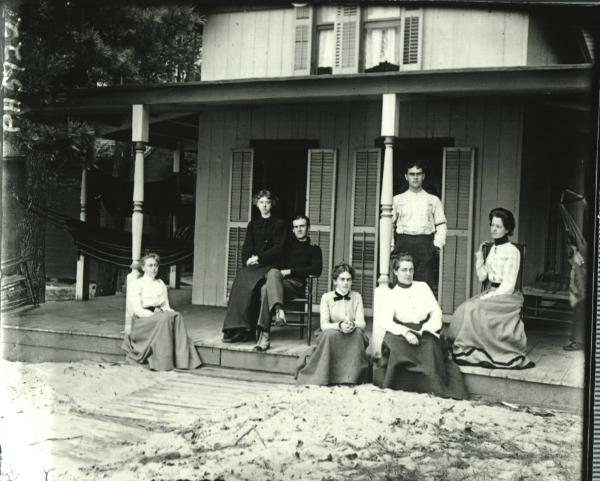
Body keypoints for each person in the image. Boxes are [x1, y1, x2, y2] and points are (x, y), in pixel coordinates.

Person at [448, 207, 534, 369]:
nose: (494, 229)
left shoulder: (512, 251)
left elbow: (508, 286)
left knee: (473, 309)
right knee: (463, 309)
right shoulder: (492, 249)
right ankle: (467, 349)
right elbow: (483, 276)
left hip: (506, 295)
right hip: (492, 292)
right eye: (492, 225)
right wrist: (480, 257)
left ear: (507, 229)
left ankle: (478, 351)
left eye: (498, 226)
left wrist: (486, 298)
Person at [374, 254, 467, 398]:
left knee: (429, 346)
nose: (408, 274)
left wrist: (427, 328)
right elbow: (386, 321)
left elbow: (436, 311)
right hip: (403, 331)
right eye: (404, 270)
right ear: (395, 272)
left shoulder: (423, 287)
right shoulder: (392, 294)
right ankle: (402, 383)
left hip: (424, 329)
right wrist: (406, 333)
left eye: (411, 270)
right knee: (398, 347)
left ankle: (431, 386)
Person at [222, 190, 287, 343]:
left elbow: (279, 248)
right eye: (261, 202)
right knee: (241, 277)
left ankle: (246, 328)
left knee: (251, 284)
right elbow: (247, 246)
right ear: (256, 204)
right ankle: (236, 328)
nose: (264, 206)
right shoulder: (253, 224)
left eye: (267, 202)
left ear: (272, 205)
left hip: (270, 264)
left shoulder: (280, 224)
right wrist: (247, 261)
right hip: (254, 265)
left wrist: (259, 257)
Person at [122, 253, 202, 371]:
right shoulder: (137, 284)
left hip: (159, 316)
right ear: (143, 268)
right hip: (143, 320)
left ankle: (182, 360)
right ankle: (163, 363)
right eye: (150, 265)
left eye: (156, 265)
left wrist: (169, 313)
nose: (154, 268)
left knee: (176, 316)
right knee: (164, 319)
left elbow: (166, 306)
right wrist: (156, 314)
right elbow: (137, 310)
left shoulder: (160, 283)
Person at [254, 214, 323, 351]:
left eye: (302, 226)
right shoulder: (286, 248)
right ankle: (278, 310)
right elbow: (275, 264)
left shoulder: (314, 249)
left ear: (308, 228)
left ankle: (265, 335)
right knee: (272, 274)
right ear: (292, 230)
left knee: (265, 289)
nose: (299, 229)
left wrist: (291, 271)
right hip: (278, 283)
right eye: (296, 227)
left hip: (295, 286)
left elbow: (316, 270)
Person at [295, 262, 370, 385]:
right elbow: (324, 325)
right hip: (332, 330)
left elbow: (361, 323)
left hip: (352, 330)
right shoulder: (326, 297)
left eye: (349, 279)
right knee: (330, 335)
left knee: (357, 335)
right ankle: (326, 375)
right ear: (335, 281)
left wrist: (352, 325)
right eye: (342, 279)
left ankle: (351, 377)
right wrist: (339, 326)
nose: (346, 283)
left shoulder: (357, 297)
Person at [391, 161, 446, 289]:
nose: (415, 177)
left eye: (418, 174)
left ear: (423, 176)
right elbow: (389, 224)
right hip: (404, 243)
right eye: (412, 174)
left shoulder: (433, 200)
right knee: (402, 283)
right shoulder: (397, 199)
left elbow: (441, 224)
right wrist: (391, 245)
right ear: (406, 176)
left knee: (424, 284)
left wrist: (437, 245)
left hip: (425, 244)